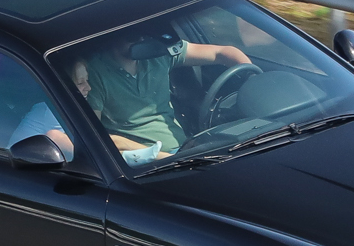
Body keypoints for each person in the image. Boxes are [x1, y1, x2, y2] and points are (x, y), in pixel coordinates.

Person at [70, 30, 247, 164]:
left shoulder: (158, 54)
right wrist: (163, 156)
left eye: (144, 34)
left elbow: (222, 52)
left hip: (187, 149)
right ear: (113, 37)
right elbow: (96, 137)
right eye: (132, 36)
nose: (141, 40)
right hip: (147, 162)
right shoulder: (94, 74)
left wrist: (253, 79)